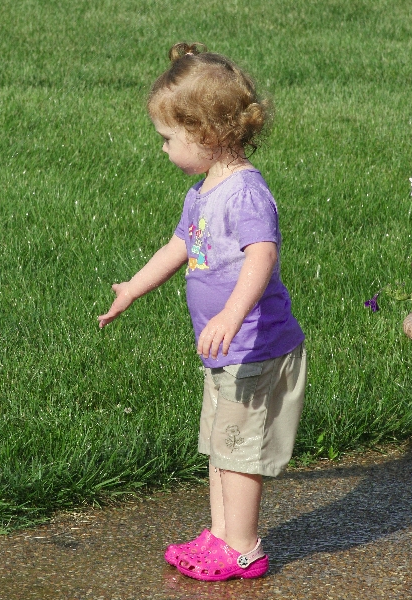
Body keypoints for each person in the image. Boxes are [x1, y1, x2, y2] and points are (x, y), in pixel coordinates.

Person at [98, 42, 306, 582]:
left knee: (239, 452)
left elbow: (262, 256)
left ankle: (243, 548)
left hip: (256, 349)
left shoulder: (245, 193)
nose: (163, 149)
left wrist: (231, 316)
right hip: (226, 353)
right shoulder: (201, 193)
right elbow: (177, 249)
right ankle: (219, 535)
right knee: (220, 445)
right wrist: (133, 289)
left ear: (207, 133)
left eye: (168, 138)